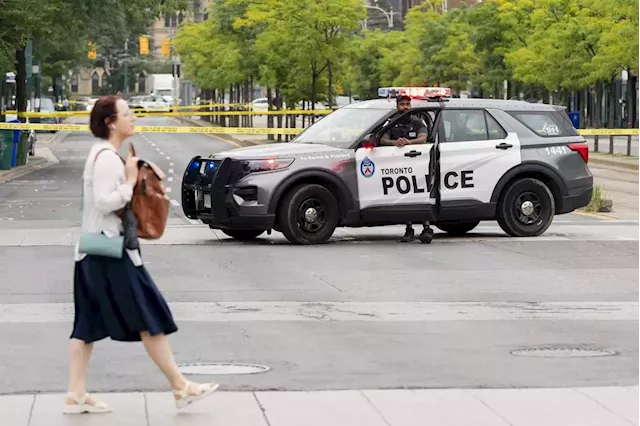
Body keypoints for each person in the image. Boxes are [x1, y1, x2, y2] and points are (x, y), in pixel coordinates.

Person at [64, 95, 218, 414]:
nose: (132, 117)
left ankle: (75, 394)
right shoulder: (106, 157)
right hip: (110, 251)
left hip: (92, 251)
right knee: (150, 315)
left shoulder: (104, 154)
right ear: (110, 122)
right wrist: (132, 181)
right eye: (126, 113)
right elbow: (106, 202)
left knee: (87, 325)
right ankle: (180, 386)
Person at [379, 95, 432, 243]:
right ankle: (409, 229)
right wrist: (394, 142)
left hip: (418, 164)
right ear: (397, 106)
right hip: (400, 166)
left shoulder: (417, 121)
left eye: (408, 104)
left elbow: (423, 138)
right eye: (402, 104)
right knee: (406, 196)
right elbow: (382, 139)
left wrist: (409, 142)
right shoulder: (392, 122)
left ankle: (426, 228)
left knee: (421, 195)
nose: (405, 107)